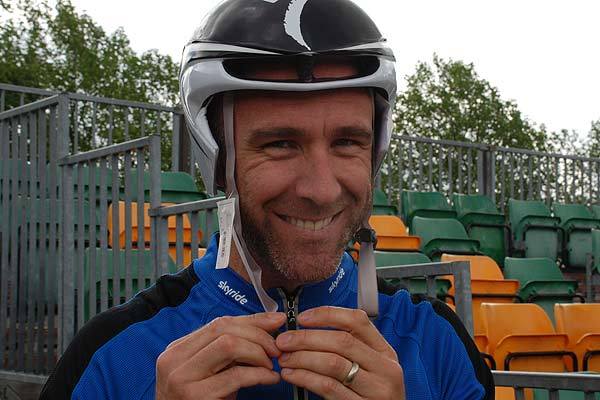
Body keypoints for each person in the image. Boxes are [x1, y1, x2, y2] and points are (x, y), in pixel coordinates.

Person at [40, 0, 493, 399]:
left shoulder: (439, 344)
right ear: (218, 160)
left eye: (347, 142)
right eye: (280, 144)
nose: (322, 189)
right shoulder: (111, 357)